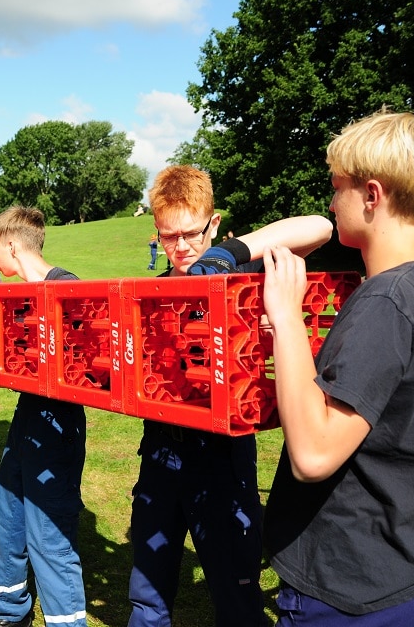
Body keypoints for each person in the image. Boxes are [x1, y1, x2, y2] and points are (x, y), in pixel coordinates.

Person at [261, 110, 414, 625]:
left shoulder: (387, 300)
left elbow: (314, 454)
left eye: (336, 187)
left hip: (361, 588)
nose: (332, 201)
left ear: (371, 194)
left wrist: (287, 317)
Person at [128, 164, 332, 627]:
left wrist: (229, 253)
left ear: (214, 223)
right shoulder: (154, 291)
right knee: (146, 591)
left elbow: (320, 227)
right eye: (167, 236)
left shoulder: (238, 270)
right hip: (159, 455)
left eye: (191, 234)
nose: (180, 247)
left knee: (235, 592)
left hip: (220, 462)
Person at [0, 206, 86, 627]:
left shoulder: (67, 287)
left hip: (57, 423)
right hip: (28, 415)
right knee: (6, 520)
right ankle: (11, 614)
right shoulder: (17, 294)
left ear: (11, 245)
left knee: (49, 535)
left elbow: (83, 364)